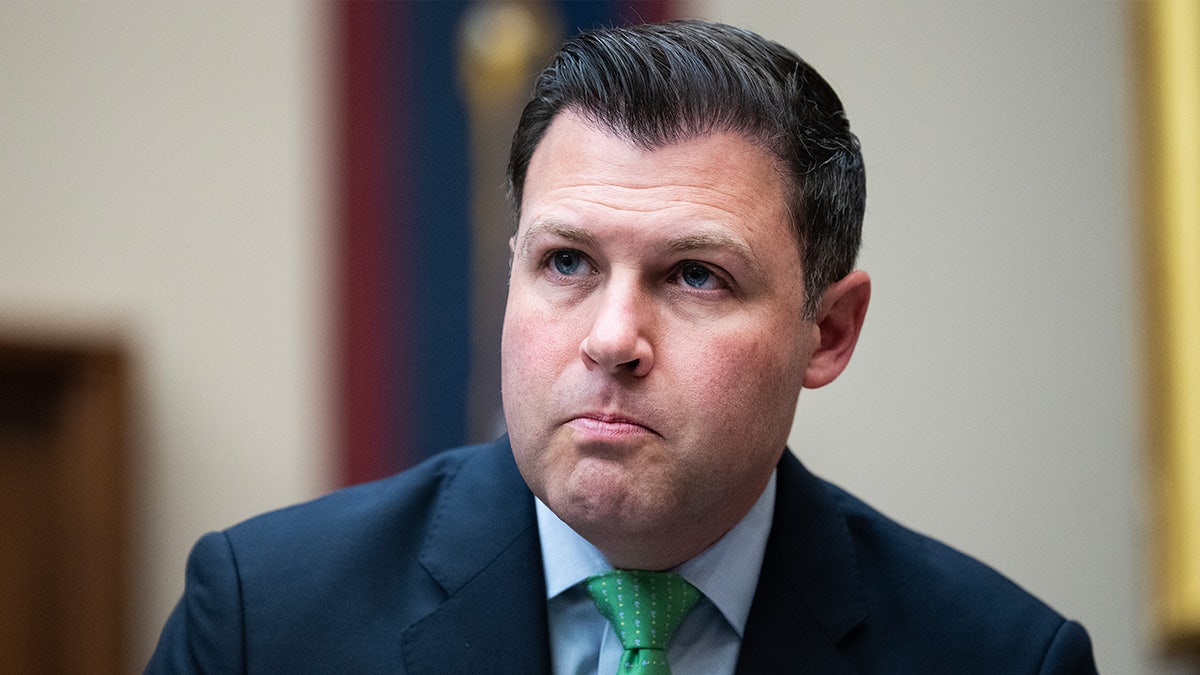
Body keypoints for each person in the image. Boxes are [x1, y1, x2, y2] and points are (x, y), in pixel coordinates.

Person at [147, 20, 1098, 674]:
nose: (611, 339)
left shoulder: (1001, 655)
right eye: (566, 261)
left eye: (695, 275)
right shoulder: (261, 620)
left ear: (830, 331)